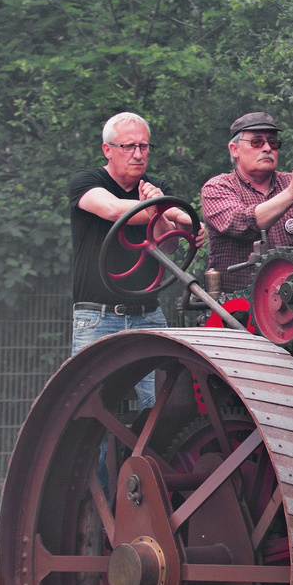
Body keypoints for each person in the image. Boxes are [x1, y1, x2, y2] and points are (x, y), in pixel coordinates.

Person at [69, 111, 197, 407]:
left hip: (148, 314)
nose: (138, 154)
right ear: (108, 150)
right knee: (89, 412)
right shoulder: (86, 181)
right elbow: (115, 210)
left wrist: (188, 223)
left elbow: (171, 247)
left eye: (144, 146)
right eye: (129, 147)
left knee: (161, 408)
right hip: (97, 317)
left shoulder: (158, 186)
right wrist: (160, 208)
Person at [201, 112, 293, 293]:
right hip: (238, 305)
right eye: (257, 142)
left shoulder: (291, 182)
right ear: (234, 149)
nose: (267, 148)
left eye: (273, 142)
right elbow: (244, 222)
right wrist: (292, 192)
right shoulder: (217, 187)